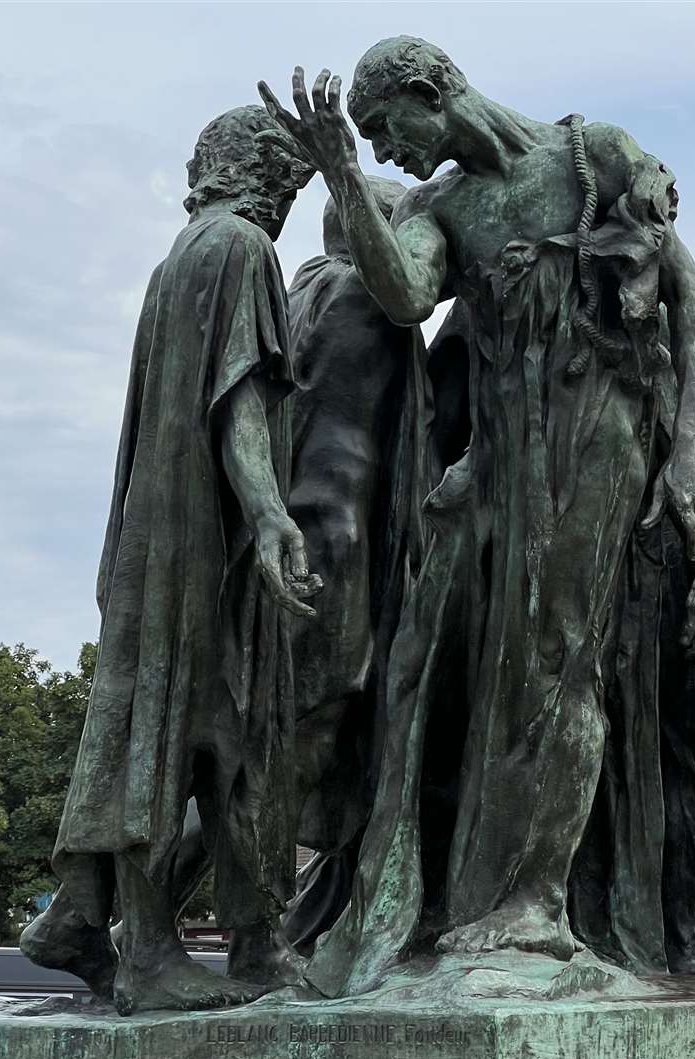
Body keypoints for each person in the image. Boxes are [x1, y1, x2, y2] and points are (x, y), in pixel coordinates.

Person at [259, 37, 695, 996]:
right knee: (440, 668)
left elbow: (692, 305)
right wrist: (344, 178)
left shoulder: (593, 156)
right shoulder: (443, 206)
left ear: (432, 94)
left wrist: (694, 445)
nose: (392, 152)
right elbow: (400, 294)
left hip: (599, 436)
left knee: (555, 665)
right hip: (500, 461)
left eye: (387, 130)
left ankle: (535, 906)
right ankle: (440, 897)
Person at [19, 106, 320, 1014]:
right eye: (293, 183)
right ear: (263, 175)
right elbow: (237, 401)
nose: (292, 203)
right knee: (190, 726)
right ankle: (149, 951)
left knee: (182, 727)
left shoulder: (177, 257)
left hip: (153, 531)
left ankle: (87, 917)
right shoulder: (239, 249)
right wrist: (268, 513)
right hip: (196, 532)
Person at [279, 176, 432, 952]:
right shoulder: (360, 295)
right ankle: (118, 910)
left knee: (311, 745)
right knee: (303, 744)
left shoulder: (299, 291)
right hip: (335, 552)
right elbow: (341, 466)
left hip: (315, 543)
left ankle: (319, 916)